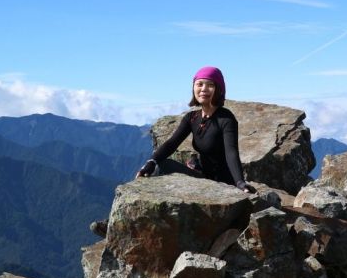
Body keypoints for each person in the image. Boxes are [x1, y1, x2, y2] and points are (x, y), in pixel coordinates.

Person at [90, 66, 254, 237]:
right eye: (199, 84)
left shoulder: (226, 119)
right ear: (193, 88)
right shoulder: (192, 118)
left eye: (210, 85)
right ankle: (117, 223)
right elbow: (171, 144)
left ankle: (120, 228)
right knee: (158, 166)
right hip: (203, 178)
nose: (203, 89)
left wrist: (240, 182)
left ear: (219, 89)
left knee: (162, 169)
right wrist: (150, 162)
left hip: (220, 185)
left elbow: (231, 152)